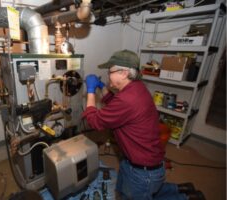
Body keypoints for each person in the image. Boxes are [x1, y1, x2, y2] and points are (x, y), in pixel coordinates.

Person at [82, 49, 205, 200]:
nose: (108, 74)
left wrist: (90, 91)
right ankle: (184, 190)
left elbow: (94, 121)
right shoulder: (136, 87)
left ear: (124, 73)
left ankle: (188, 198)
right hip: (137, 162)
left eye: (110, 71)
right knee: (136, 190)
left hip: (143, 171)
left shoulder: (128, 99)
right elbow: (117, 106)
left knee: (141, 192)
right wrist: (103, 88)